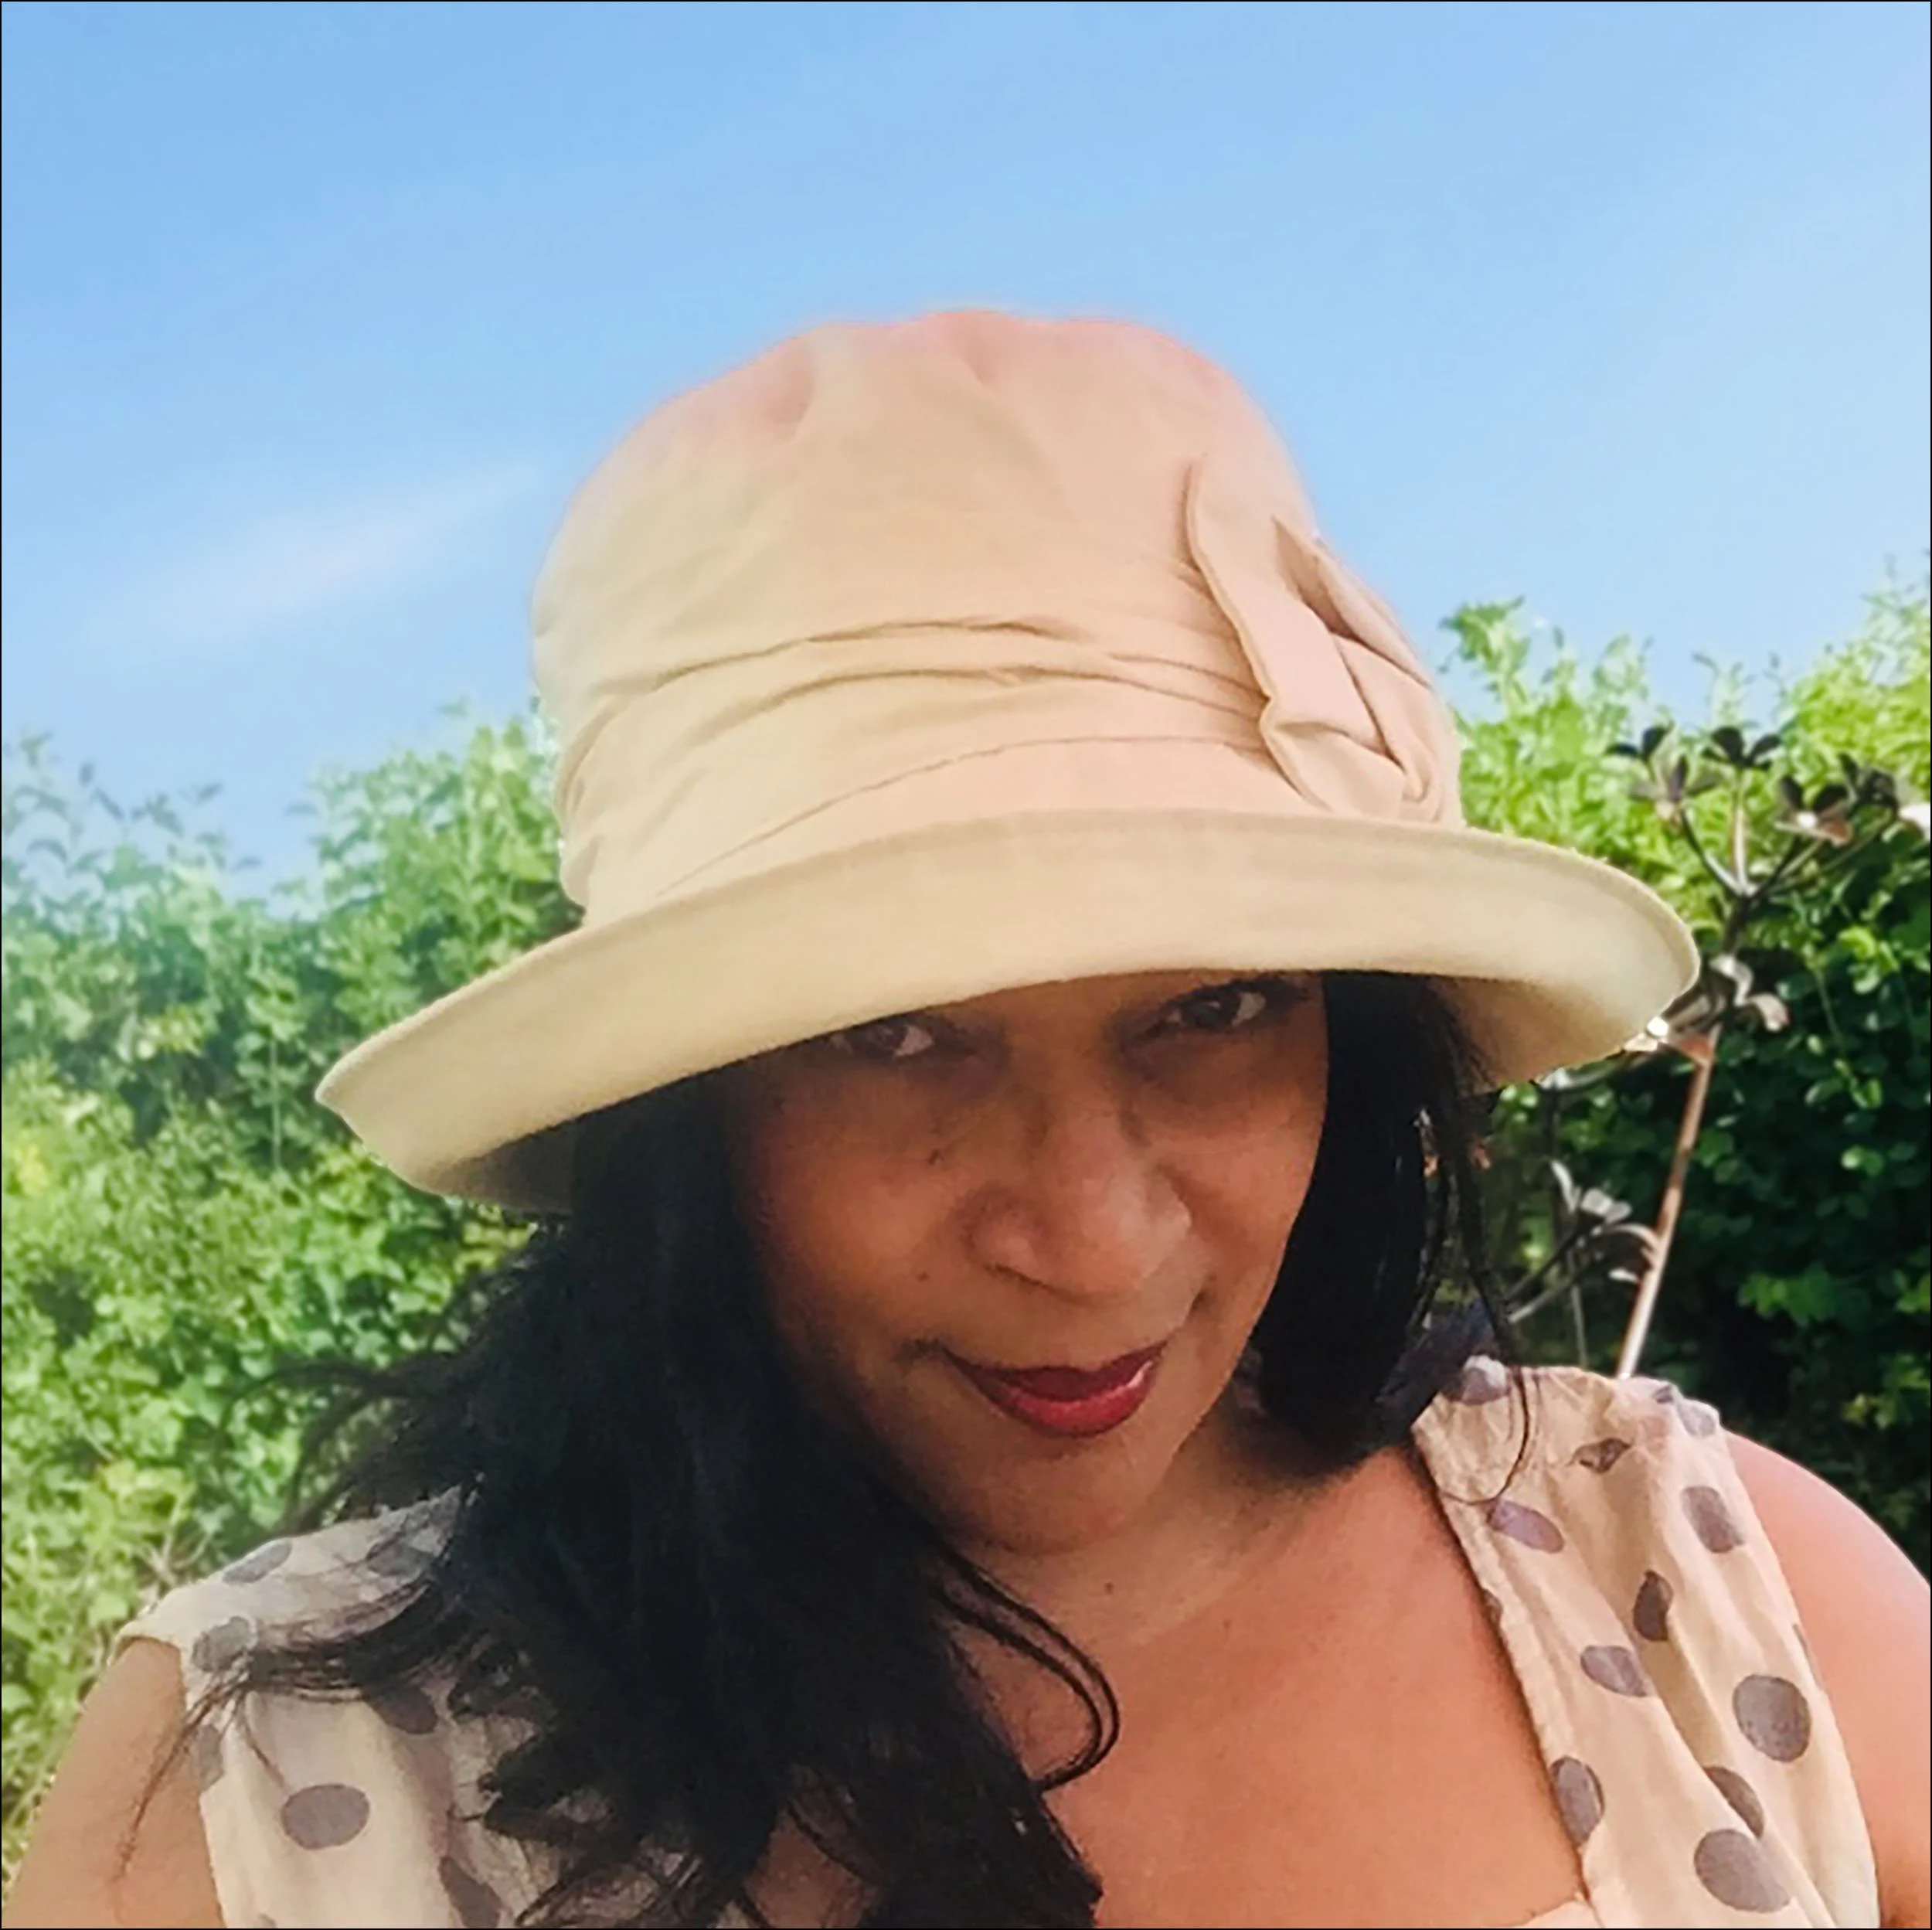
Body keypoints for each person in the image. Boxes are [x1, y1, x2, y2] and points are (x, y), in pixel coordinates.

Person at [7, 311, 1926, 1930]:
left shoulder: (1713, 1594)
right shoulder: (269, 1784)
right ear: (681, 1112)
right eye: (894, 1034)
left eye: (1217, 1006)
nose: (1089, 1240)